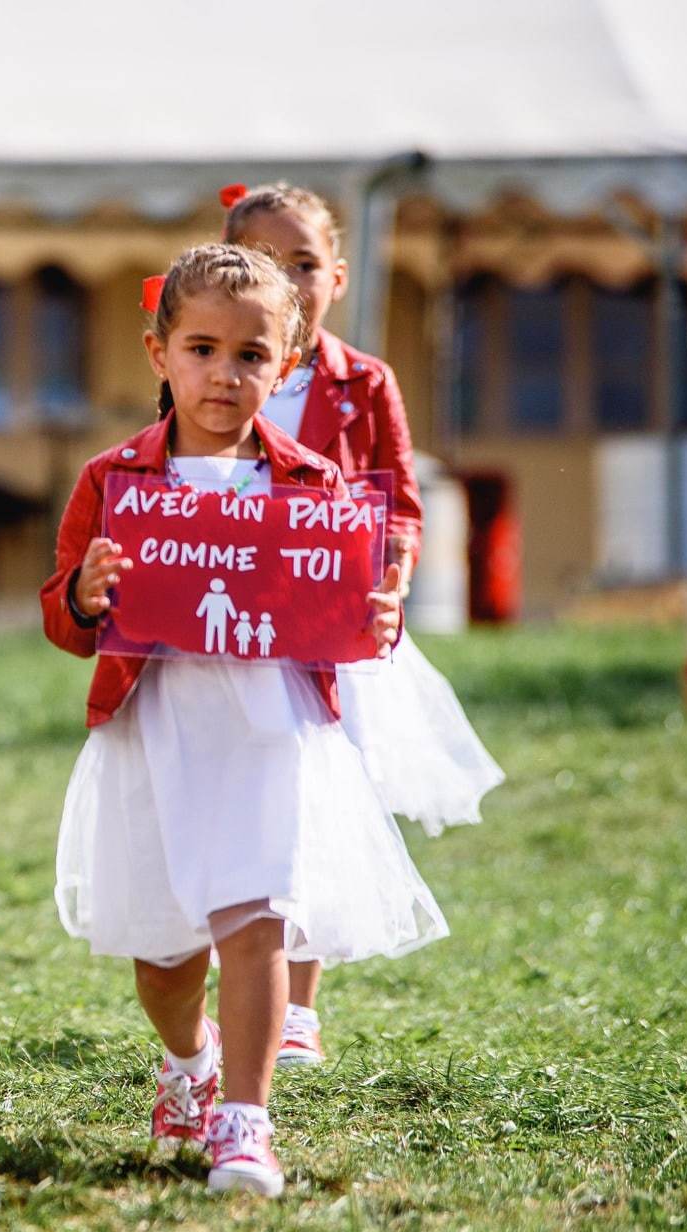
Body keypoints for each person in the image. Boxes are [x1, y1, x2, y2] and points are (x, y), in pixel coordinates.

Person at [42, 244, 447, 1196]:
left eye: (253, 355)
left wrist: (373, 618)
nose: (226, 374)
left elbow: (344, 618)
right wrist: (89, 597)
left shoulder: (312, 485)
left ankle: (247, 1122)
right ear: (159, 354)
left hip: (269, 729)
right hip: (158, 727)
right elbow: (63, 619)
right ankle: (189, 1062)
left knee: (257, 916)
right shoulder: (113, 481)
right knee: (165, 956)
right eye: (202, 348)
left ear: (289, 361)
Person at [224, 183, 503, 1066]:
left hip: (332, 623)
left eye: (303, 262)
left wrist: (391, 580)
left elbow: (401, 503)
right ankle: (241, 970)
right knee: (248, 795)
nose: (287, 278)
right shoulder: (214, 371)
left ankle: (299, 999)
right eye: (265, 261)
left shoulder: (363, 383)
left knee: (323, 796)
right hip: (235, 625)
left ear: (337, 277)